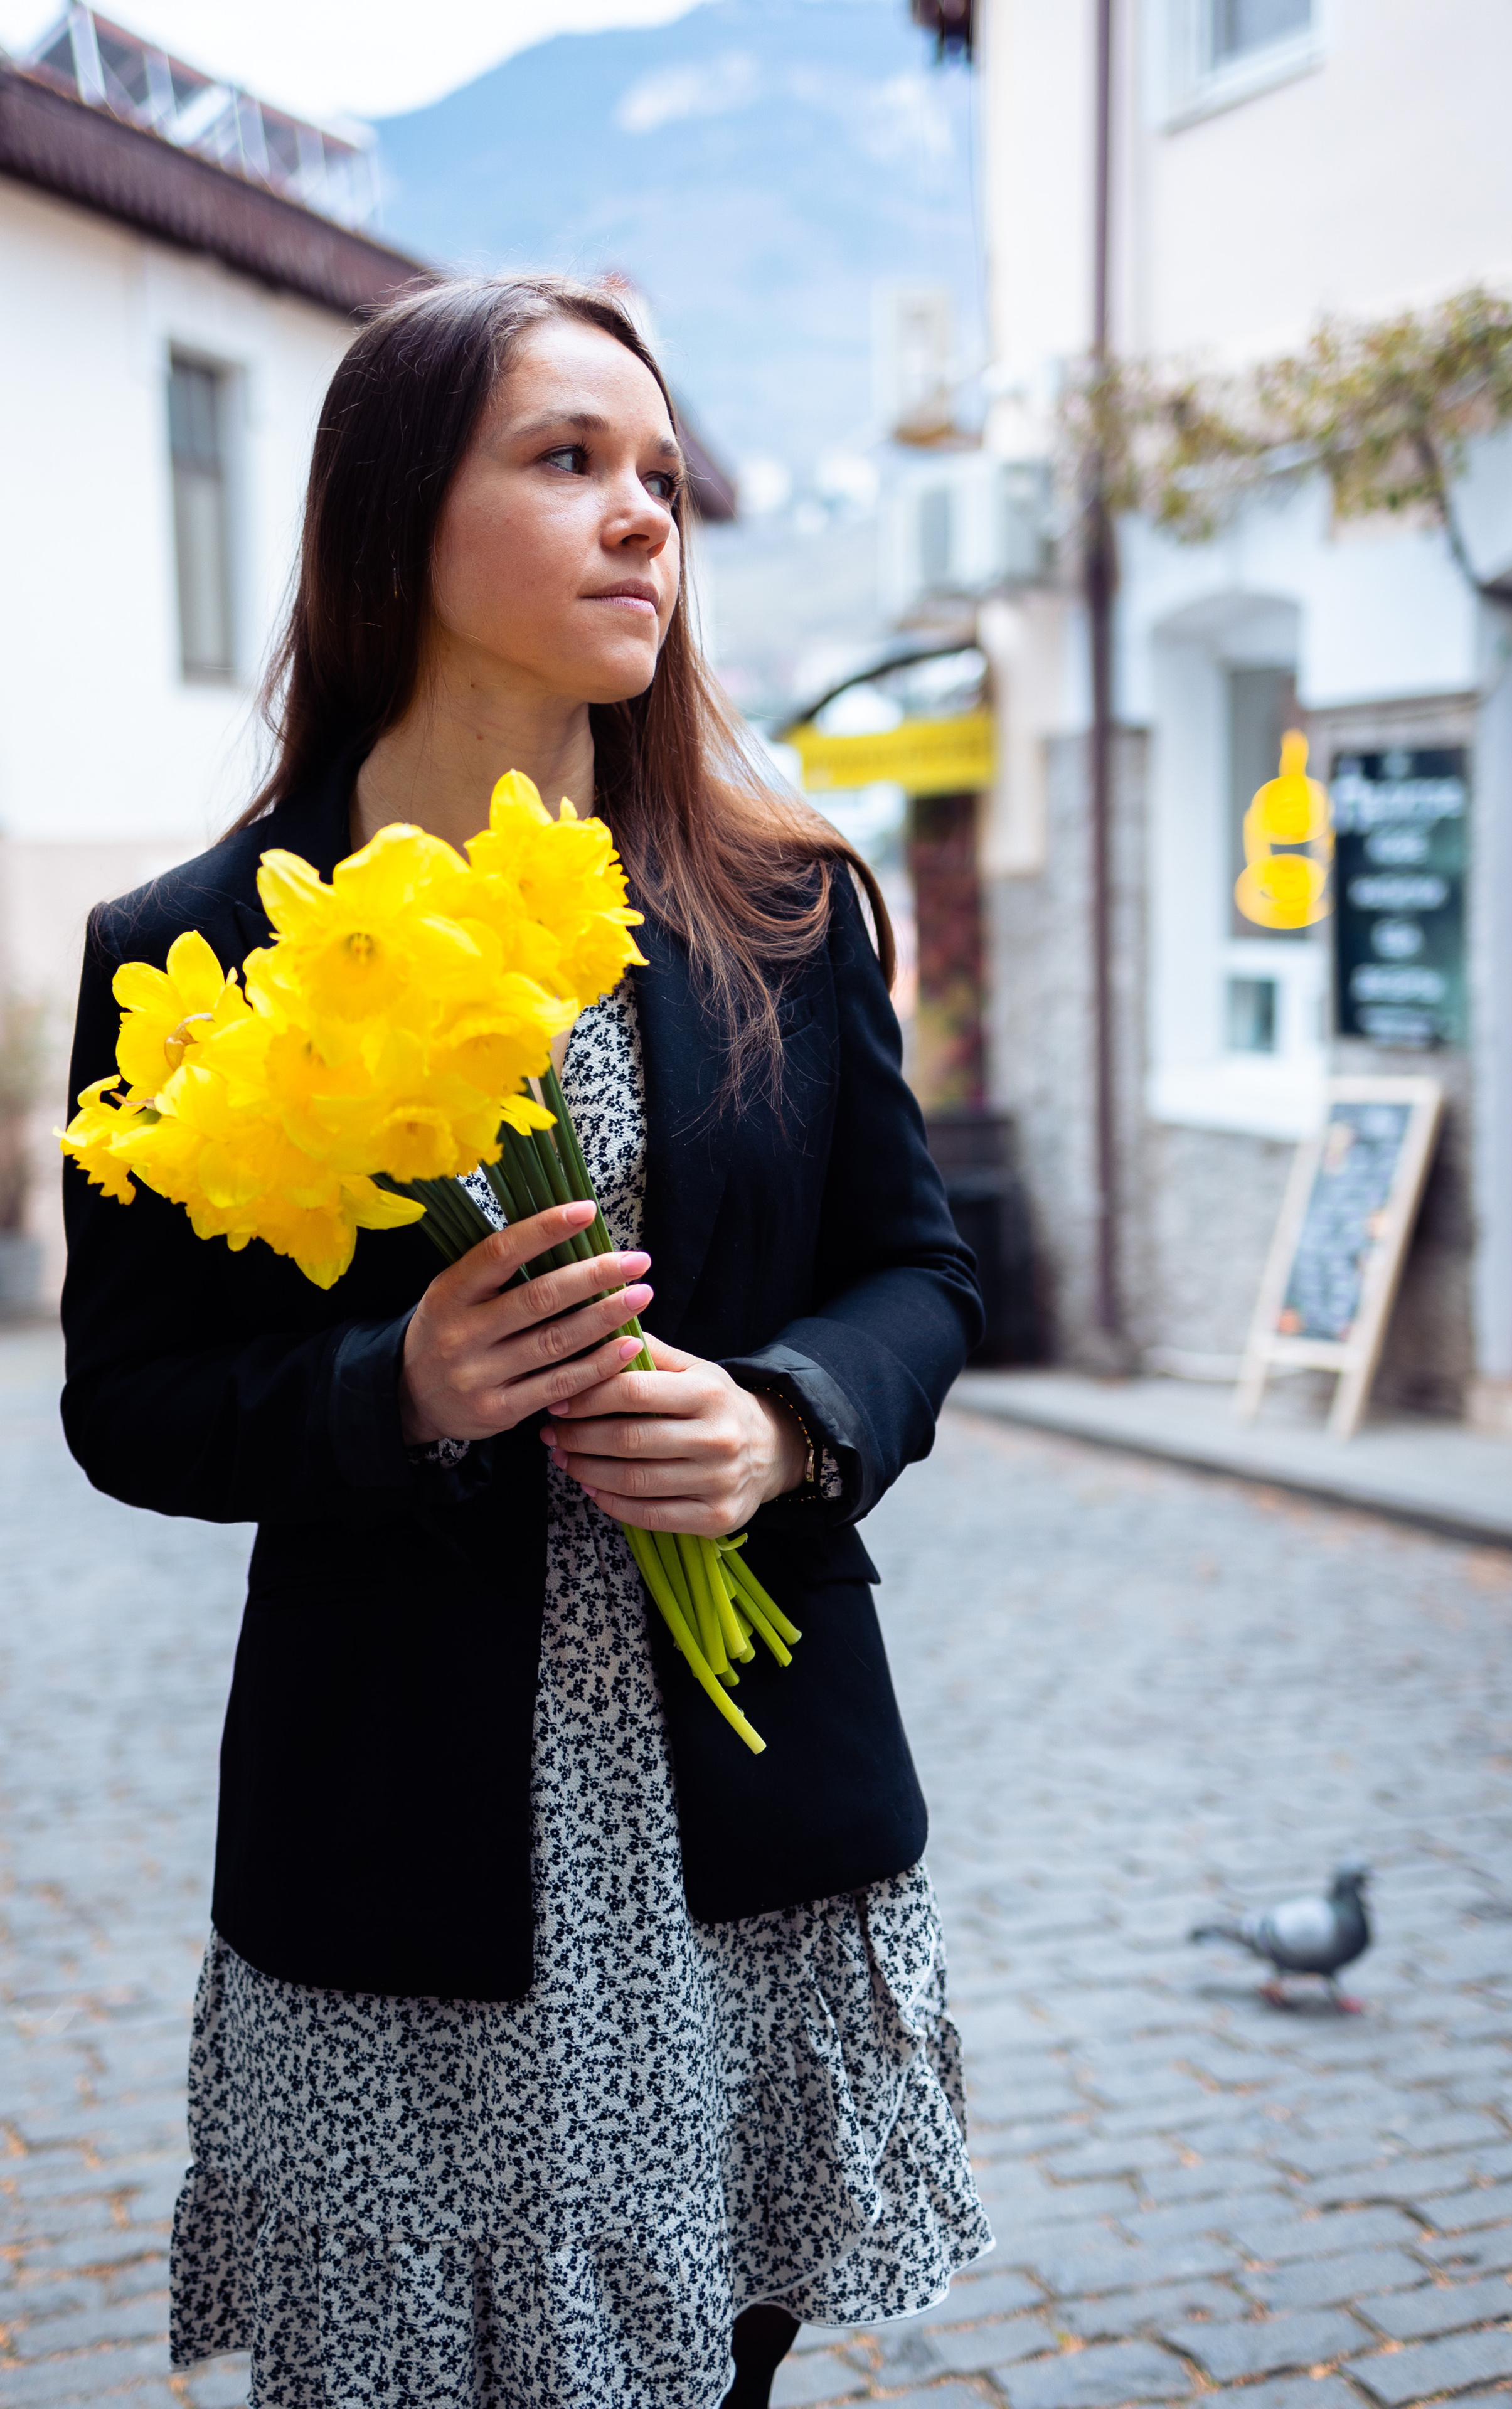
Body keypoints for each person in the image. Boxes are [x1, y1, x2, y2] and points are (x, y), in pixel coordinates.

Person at [60, 275, 992, 2409]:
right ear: (394, 518)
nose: (645, 517)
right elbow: (129, 1402)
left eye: (663, 476)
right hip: (398, 1826)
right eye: (569, 462)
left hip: (741, 1830)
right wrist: (389, 1393)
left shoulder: (782, 896)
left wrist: (783, 1424)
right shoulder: (186, 948)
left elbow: (922, 1282)